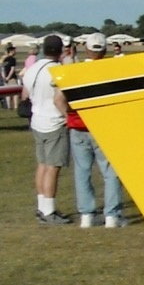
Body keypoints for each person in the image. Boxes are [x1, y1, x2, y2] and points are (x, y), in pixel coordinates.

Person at [69, 33, 127, 227]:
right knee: (110, 171)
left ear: (86, 49)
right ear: (104, 50)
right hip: (103, 126)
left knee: (82, 171)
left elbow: (61, 99)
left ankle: (87, 214)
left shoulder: (75, 71)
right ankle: (112, 214)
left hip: (78, 126)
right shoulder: (111, 71)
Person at [23, 34, 70, 225]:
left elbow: (25, 94)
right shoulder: (58, 71)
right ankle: (49, 210)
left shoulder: (32, 68)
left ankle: (42, 206)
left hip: (37, 120)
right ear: (60, 51)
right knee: (53, 167)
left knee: (42, 164)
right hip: (54, 121)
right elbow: (59, 99)